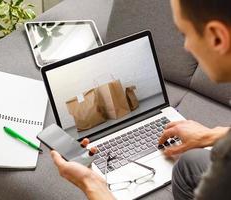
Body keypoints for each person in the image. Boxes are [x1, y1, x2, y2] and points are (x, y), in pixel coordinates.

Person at [51, 0, 231, 199]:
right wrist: (212, 134)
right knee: (189, 163)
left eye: (185, 34)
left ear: (218, 38)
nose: (186, 47)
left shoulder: (223, 170)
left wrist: (91, 184)